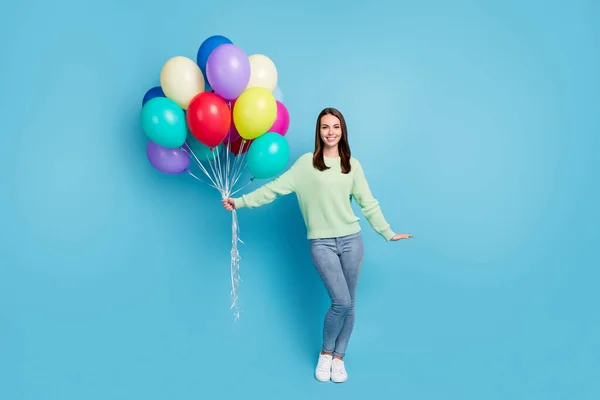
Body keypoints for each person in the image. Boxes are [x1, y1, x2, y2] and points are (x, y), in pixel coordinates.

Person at [222, 107, 412, 383]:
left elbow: (368, 203)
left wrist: (387, 232)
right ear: (319, 131)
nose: (331, 132)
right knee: (341, 301)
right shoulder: (305, 165)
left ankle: (339, 358)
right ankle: (326, 353)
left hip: (352, 241)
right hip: (321, 243)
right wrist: (240, 202)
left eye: (336, 126)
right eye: (325, 127)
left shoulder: (352, 165)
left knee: (351, 304)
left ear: (342, 131)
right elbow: (272, 189)